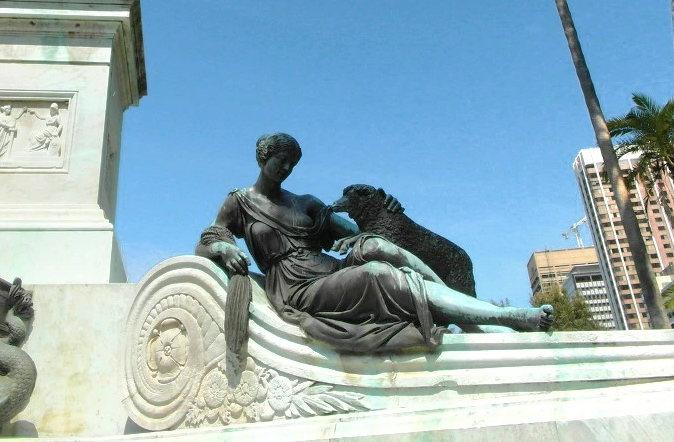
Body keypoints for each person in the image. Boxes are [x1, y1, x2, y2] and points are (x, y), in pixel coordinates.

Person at [197, 133, 553, 352]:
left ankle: (497, 322)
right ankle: (506, 317)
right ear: (263, 156)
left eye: (292, 163)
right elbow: (209, 240)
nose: (286, 168)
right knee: (379, 274)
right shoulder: (239, 202)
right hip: (297, 288)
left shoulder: (305, 203)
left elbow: (359, 227)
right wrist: (224, 248)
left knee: (378, 249)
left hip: (329, 271)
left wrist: (387, 207)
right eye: (281, 160)